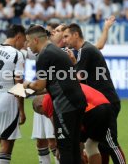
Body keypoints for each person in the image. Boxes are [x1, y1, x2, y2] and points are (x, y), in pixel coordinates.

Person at [23, 25, 87, 164]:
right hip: (78, 102)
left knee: (65, 148)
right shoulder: (55, 51)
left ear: (35, 40)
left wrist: (26, 85)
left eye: (28, 41)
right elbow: (51, 85)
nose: (27, 45)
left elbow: (40, 85)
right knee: (75, 147)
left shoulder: (43, 55)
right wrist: (28, 91)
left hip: (65, 105)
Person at [63, 23, 126, 164]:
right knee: (99, 143)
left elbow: (77, 78)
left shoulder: (86, 51)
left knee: (110, 142)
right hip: (99, 104)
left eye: (66, 36)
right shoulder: (85, 50)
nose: (64, 40)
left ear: (76, 35)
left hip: (106, 102)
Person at [33, 83, 114, 164]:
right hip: (108, 107)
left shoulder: (48, 99)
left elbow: (58, 129)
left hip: (92, 111)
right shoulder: (63, 87)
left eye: (42, 113)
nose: (45, 115)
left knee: (73, 148)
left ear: (40, 106)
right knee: (91, 146)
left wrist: (59, 148)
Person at [0, 24, 26, 164]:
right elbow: (18, 83)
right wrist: (21, 110)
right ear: (18, 37)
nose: (24, 44)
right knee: (6, 144)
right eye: (24, 40)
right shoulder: (17, 54)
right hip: (8, 98)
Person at [31, 22, 60, 164]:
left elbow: (46, 84)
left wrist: (28, 88)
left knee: (53, 141)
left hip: (51, 101)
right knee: (40, 141)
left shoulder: (57, 51)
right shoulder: (41, 51)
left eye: (52, 32)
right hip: (40, 102)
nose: (50, 35)